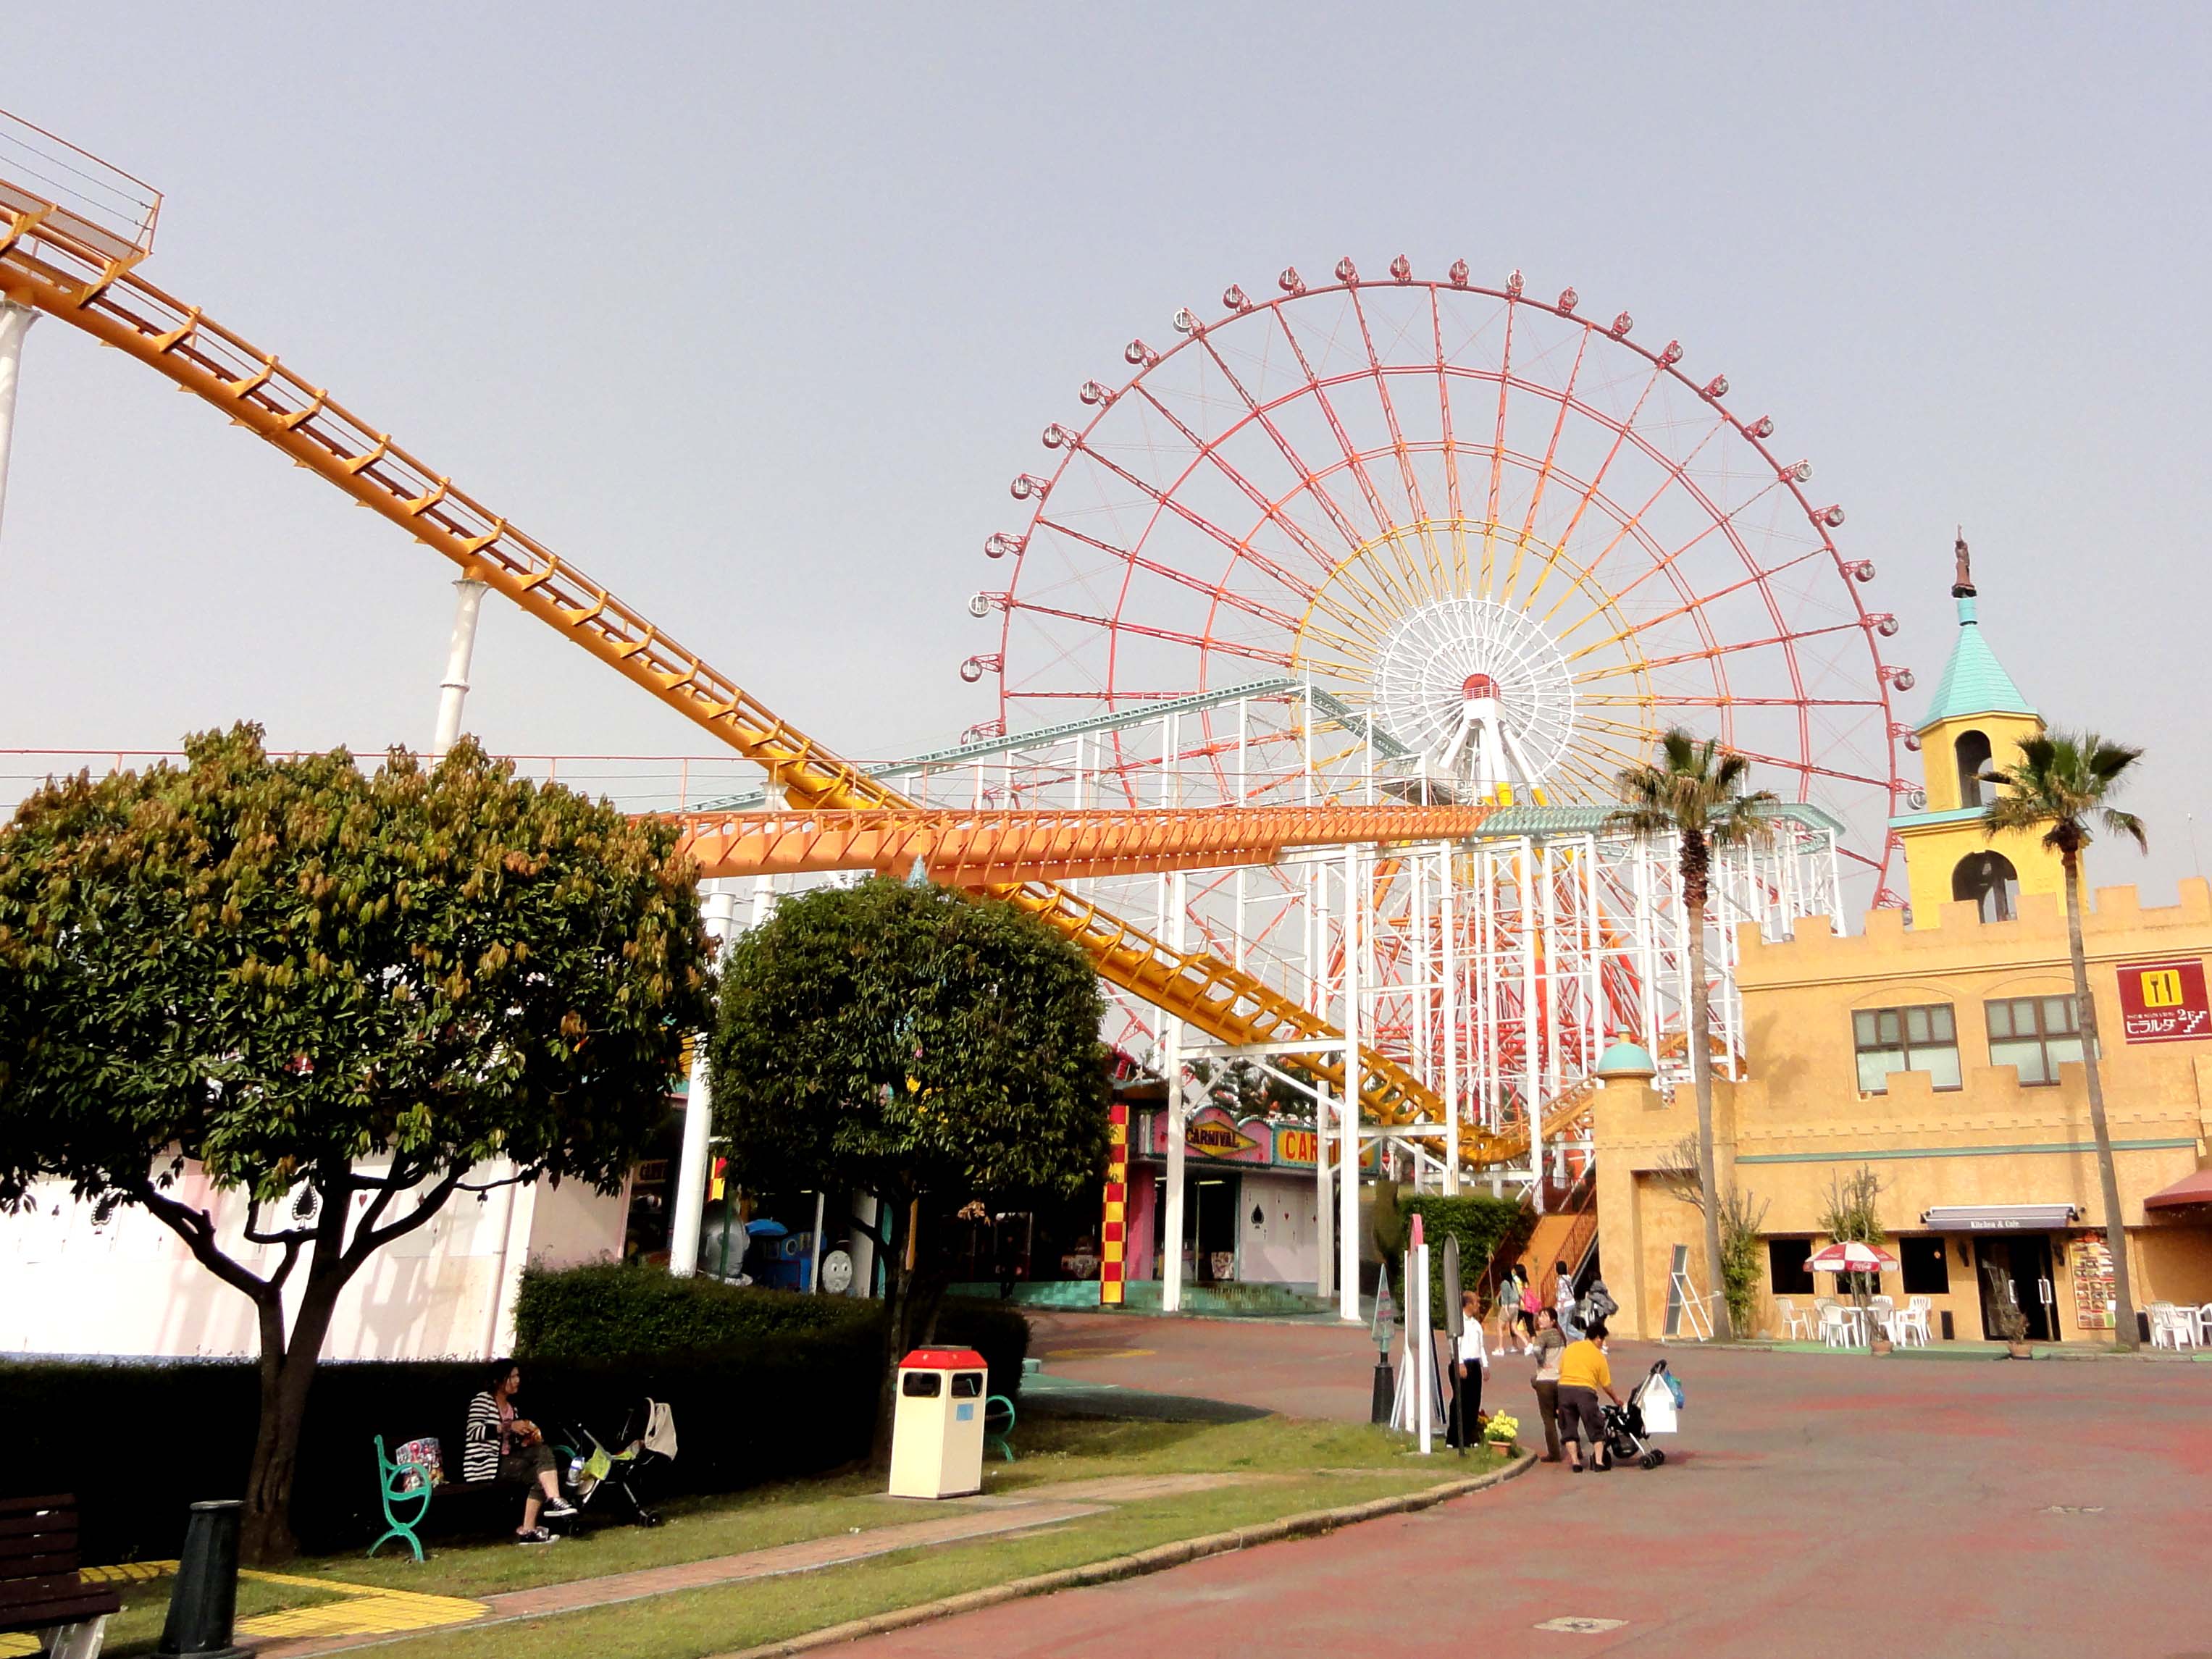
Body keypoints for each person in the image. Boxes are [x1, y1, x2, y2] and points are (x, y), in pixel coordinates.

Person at [466, 1359, 575, 1544]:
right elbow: (474, 1431)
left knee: (542, 1465)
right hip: (486, 1464)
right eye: (513, 1376)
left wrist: (526, 1439)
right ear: (499, 1380)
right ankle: (555, 1500)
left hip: (507, 1461)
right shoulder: (482, 1400)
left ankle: (528, 1530)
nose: (517, 1380)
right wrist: (508, 1426)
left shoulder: (512, 1408)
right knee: (542, 1459)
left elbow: (510, 1442)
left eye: (518, 1376)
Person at [1555, 1318, 1625, 1473]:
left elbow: (1560, 1370)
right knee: (1595, 1426)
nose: (1603, 1344)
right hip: (1585, 1392)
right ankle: (1599, 1462)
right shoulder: (1598, 1355)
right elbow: (1606, 1384)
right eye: (1603, 1340)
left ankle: (1575, 1463)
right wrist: (1616, 1399)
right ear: (1598, 1338)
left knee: (1569, 1429)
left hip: (1564, 1390)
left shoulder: (1571, 1348)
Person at [1447, 1290, 1489, 1449]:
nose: (1478, 1305)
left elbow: (1481, 1346)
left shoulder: (1476, 1325)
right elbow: (1454, 1344)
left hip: (1474, 1364)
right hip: (1461, 1363)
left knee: (1474, 1401)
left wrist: (1485, 1365)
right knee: (1460, 1400)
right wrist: (1459, 1363)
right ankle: (1454, 1437)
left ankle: (1470, 1436)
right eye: (1476, 1302)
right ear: (1468, 1304)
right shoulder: (1459, 1324)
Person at [1527, 1304, 1567, 1463]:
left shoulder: (1543, 1336)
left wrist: (1542, 1362)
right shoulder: (1561, 1335)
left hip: (1545, 1381)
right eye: (1540, 1316)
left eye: (1544, 1316)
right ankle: (1573, 1446)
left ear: (1553, 1321)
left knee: (1548, 1419)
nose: (1540, 1319)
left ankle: (1554, 1454)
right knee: (1564, 1416)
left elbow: (1536, 1350)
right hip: (1560, 1380)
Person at [1496, 1269, 1523, 1354]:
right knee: (1514, 1328)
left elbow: (1505, 1297)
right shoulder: (1514, 1283)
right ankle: (1527, 1343)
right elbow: (1518, 1295)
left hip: (1508, 1307)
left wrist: (1506, 1309)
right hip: (1516, 1307)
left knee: (1499, 1326)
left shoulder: (1504, 1283)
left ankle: (1500, 1347)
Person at [1554, 1260, 1581, 1340]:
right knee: (1567, 1326)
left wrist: (1561, 1306)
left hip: (1565, 1305)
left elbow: (1562, 1294)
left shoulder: (1560, 1280)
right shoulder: (1568, 1278)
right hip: (1571, 1303)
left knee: (1561, 1325)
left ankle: (1564, 1342)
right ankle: (1582, 1337)